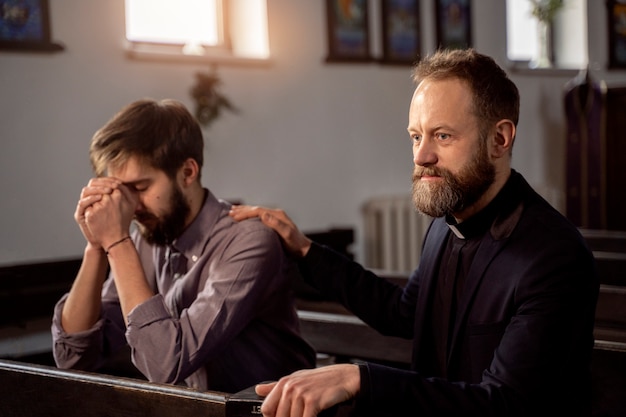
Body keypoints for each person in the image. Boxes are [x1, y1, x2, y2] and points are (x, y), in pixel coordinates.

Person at [229, 48, 599, 416]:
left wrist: (360, 379)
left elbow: (505, 405)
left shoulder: (554, 255)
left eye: (442, 136)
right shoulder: (444, 224)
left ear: (499, 140)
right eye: (415, 136)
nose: (422, 156)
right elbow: (403, 313)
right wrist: (306, 251)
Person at [51, 98, 316, 393]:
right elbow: (73, 358)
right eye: (119, 191)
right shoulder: (144, 236)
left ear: (188, 173)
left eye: (139, 188)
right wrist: (97, 247)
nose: (129, 207)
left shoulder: (250, 241)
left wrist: (117, 242)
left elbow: (165, 364)